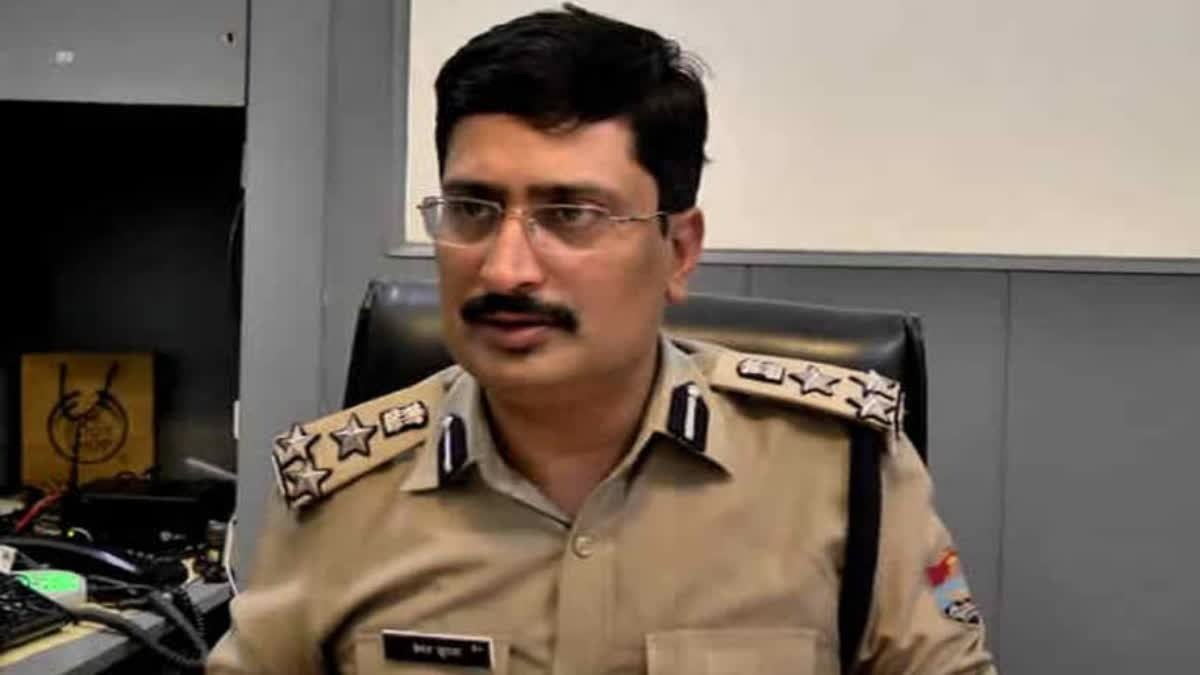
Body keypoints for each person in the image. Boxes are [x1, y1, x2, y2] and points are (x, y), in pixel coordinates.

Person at [208, 5, 997, 674]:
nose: (505, 268)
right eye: (472, 208)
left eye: (571, 215)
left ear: (677, 250)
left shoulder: (839, 471)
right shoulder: (340, 493)